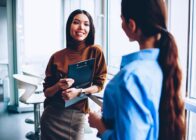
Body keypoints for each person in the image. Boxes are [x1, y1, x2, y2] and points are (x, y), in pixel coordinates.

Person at [88, 0, 185, 140]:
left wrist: (99, 124)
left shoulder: (131, 78)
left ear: (131, 25)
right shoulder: (167, 66)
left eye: (122, 20)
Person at [40, 9, 107, 140]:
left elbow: (99, 85)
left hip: (76, 116)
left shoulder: (95, 51)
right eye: (76, 22)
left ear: (90, 28)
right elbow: (47, 93)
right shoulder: (57, 56)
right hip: (51, 115)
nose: (81, 27)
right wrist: (58, 86)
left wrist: (79, 91)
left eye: (86, 24)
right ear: (69, 26)